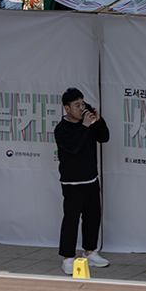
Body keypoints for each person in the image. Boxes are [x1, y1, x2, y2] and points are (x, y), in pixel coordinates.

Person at [55, 88, 110, 274]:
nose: (81, 108)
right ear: (66, 108)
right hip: (72, 183)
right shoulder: (61, 129)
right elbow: (72, 148)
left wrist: (98, 120)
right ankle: (68, 257)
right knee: (71, 219)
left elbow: (105, 138)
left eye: (82, 103)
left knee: (93, 217)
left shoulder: (89, 123)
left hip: (91, 179)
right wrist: (85, 126)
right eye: (76, 105)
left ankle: (90, 252)